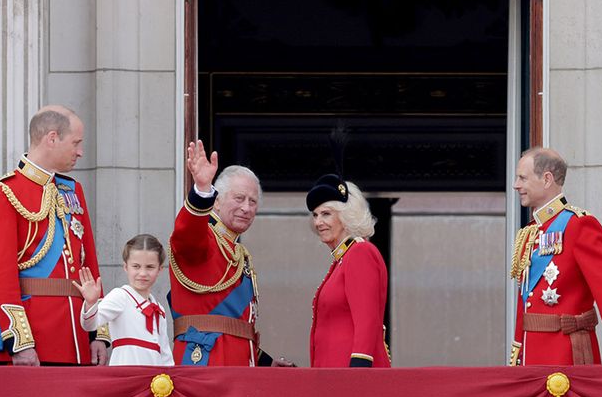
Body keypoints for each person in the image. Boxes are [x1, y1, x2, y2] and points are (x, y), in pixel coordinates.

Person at [0, 105, 109, 366]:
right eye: (76, 143)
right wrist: (20, 342)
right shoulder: (3, 193)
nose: (80, 152)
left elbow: (89, 264)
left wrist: (98, 332)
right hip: (36, 341)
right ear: (52, 138)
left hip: (78, 338)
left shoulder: (73, 190)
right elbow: (0, 277)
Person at [508, 147, 602, 366]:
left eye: (522, 178)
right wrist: (518, 355)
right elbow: (527, 305)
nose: (516, 185)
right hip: (531, 356)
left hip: (567, 352)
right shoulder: (531, 231)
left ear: (547, 179)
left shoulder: (579, 224)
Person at [169, 140, 290, 366]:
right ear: (216, 202)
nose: (246, 208)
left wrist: (266, 363)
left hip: (236, 366)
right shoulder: (204, 240)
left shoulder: (238, 252)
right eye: (239, 198)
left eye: (252, 201)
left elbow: (236, 326)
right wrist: (202, 190)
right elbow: (186, 235)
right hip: (206, 362)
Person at [306, 175, 391, 368]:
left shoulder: (360, 252)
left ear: (346, 216)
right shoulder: (341, 260)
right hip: (333, 377)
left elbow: (366, 321)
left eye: (326, 214)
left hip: (350, 378)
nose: (318, 222)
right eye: (315, 215)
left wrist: (358, 372)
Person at [73, 234, 174, 366]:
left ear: (160, 269)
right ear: (126, 267)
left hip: (153, 381)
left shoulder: (158, 308)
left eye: (150, 267)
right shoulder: (120, 296)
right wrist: (91, 303)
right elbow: (90, 325)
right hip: (125, 376)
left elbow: (165, 356)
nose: (143, 273)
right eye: (136, 266)